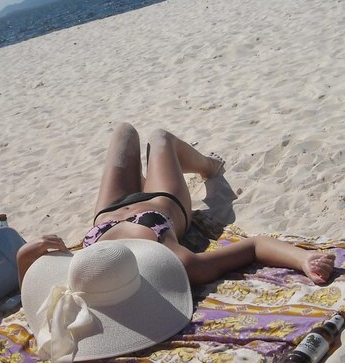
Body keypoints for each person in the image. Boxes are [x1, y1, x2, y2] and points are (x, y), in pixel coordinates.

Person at [17, 122, 335, 288]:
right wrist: (304, 259)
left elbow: (31, 285)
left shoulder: (88, 276)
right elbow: (253, 248)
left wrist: (27, 252)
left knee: (124, 131)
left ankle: (173, 169)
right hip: (162, 203)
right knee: (159, 138)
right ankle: (209, 168)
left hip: (108, 212)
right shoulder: (180, 263)